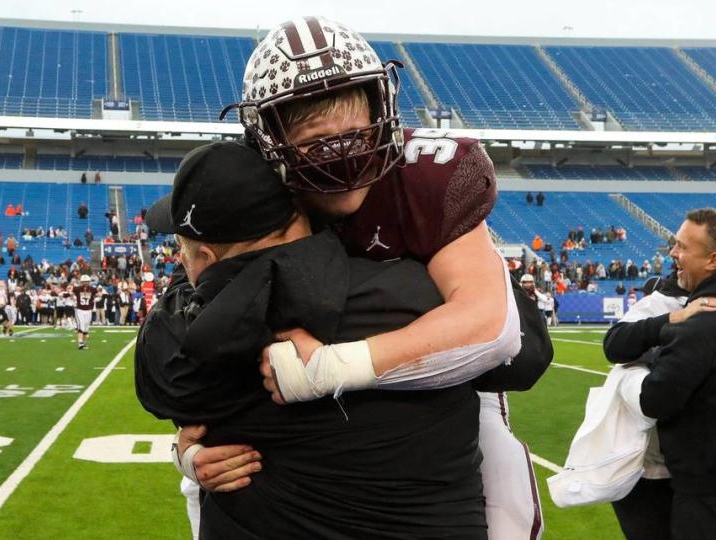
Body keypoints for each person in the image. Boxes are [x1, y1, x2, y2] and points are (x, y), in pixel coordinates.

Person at [176, 20, 552, 539]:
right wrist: (188, 441)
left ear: (382, 106)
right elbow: (200, 313)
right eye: (314, 138)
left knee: (505, 498)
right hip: (297, 432)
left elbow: (492, 330)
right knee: (206, 485)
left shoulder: (426, 173)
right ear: (267, 137)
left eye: (352, 130)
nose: (341, 151)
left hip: (438, 409)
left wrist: (329, 367)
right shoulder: (253, 188)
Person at [137, 142, 488, 538]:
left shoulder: (201, 348)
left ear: (204, 258)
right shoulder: (421, 294)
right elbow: (520, 348)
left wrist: (185, 453)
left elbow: (165, 375)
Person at [603, 209, 716, 540]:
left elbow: (654, 400)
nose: (673, 254)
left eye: (683, 247)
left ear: (714, 261)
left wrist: (625, 378)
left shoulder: (704, 321)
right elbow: (615, 342)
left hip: (714, 481)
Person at [73, 275, 96, 349]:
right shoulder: (77, 289)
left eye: (87, 281)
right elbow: (71, 291)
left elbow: (97, 294)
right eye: (84, 281)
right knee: (81, 327)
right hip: (80, 310)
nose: (85, 283)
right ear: (82, 282)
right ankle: (80, 343)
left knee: (86, 328)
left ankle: (84, 343)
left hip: (88, 310)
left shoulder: (92, 289)